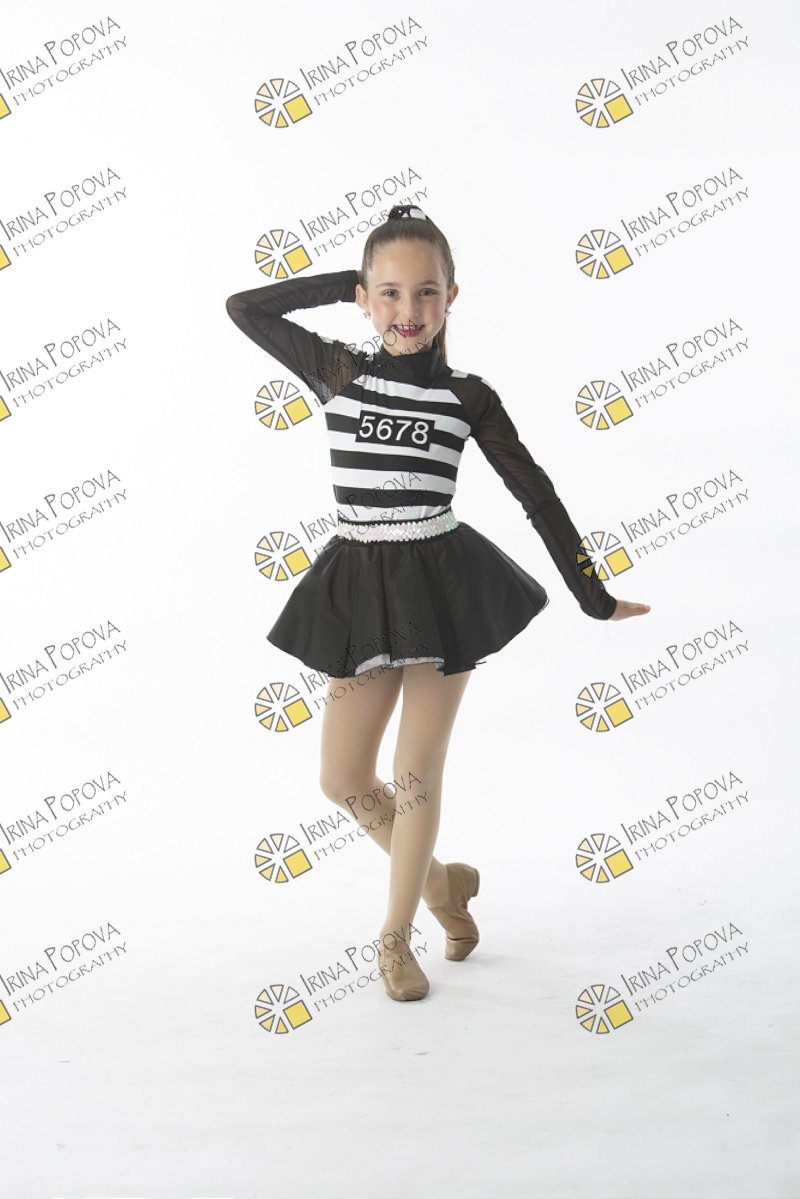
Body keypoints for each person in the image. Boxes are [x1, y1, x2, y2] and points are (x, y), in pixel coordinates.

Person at [226, 203, 650, 1003]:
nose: (408, 310)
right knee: (343, 777)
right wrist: (351, 281)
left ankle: (394, 938)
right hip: (359, 587)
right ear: (364, 298)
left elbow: (536, 493)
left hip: (444, 586)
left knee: (413, 769)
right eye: (389, 293)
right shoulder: (338, 372)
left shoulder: (468, 397)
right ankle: (443, 883)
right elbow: (244, 307)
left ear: (451, 297)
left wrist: (593, 596)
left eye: (426, 292)